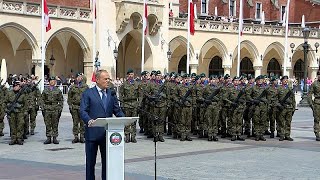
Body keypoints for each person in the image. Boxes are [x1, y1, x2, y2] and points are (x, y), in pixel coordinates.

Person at [80, 69, 124, 180]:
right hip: (92, 134)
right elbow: (83, 111)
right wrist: (89, 120)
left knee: (107, 164)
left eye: (108, 78)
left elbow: (117, 110)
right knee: (90, 164)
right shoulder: (88, 93)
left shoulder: (111, 93)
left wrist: (124, 119)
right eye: (105, 79)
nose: (108, 81)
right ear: (97, 80)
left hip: (107, 134)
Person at [40, 77, 64, 144]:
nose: (52, 82)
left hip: (55, 108)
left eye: (53, 81)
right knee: (47, 123)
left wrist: (60, 108)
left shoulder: (58, 90)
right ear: (49, 82)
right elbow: (42, 100)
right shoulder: (45, 90)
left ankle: (55, 137)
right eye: (51, 81)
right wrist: (43, 107)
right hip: (47, 108)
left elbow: (61, 100)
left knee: (55, 123)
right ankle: (48, 137)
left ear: (55, 82)